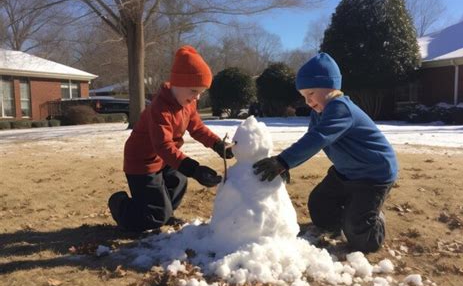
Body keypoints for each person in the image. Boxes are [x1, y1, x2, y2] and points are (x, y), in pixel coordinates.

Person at [253, 53, 398, 253]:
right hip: (346, 172)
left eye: (311, 93)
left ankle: (373, 218)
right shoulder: (319, 112)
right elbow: (310, 138)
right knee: (320, 208)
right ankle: (352, 209)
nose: (308, 101)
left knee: (361, 237)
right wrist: (287, 163)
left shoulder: (341, 108)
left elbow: (319, 138)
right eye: (304, 96)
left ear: (330, 87)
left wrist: (284, 161)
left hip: (373, 174)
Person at [108, 45, 233, 232]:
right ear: (177, 84)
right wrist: (195, 169)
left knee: (179, 179)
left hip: (164, 159)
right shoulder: (160, 108)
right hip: (143, 162)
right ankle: (120, 204)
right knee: (154, 216)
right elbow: (163, 146)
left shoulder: (187, 103)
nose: (197, 97)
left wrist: (217, 144)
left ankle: (164, 213)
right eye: (193, 91)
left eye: (201, 92)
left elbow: (197, 127)